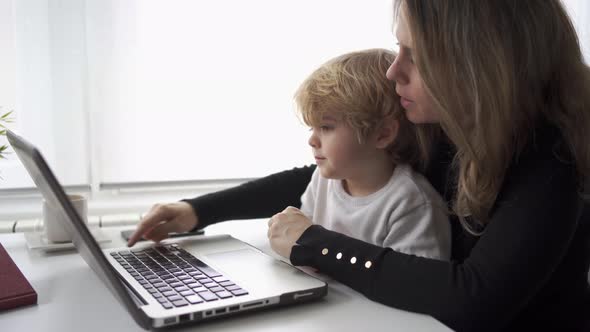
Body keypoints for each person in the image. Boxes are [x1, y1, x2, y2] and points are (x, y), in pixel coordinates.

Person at [128, 1, 590, 331]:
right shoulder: (452, 127)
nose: (394, 72)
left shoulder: (553, 158)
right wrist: (196, 210)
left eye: (418, 57)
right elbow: (321, 176)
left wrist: (313, 244)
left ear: (480, 65)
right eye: (399, 49)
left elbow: (473, 299)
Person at [294, 49, 450, 260]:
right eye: (311, 128)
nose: (312, 140)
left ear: (382, 134)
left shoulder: (411, 203)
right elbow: (301, 241)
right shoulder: (322, 181)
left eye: (326, 127)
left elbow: (417, 285)